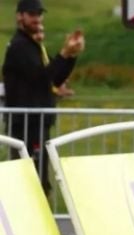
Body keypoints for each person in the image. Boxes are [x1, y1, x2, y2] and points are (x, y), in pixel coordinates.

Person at [2, 0, 84, 195]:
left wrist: (71, 56)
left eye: (39, 14)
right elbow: (41, 78)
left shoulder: (32, 46)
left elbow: (54, 79)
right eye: (31, 14)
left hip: (38, 123)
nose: (37, 19)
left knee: (39, 179)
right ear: (19, 16)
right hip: (25, 125)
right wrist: (63, 54)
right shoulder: (19, 46)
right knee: (29, 182)